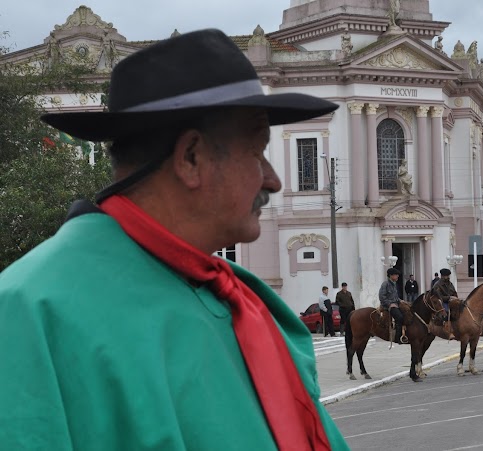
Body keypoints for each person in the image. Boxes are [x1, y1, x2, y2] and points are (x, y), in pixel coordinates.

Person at [0, 29, 348, 450]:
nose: (273, 180)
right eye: (257, 152)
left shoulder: (247, 299)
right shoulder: (29, 311)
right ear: (191, 158)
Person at [379, 267, 408, 344]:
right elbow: (382, 297)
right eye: (396, 275)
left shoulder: (394, 284)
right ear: (391, 275)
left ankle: (405, 334)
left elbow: (395, 297)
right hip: (388, 306)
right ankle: (397, 338)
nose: (397, 276)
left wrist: (400, 300)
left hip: (396, 304)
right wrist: (389, 304)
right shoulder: (385, 284)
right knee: (399, 317)